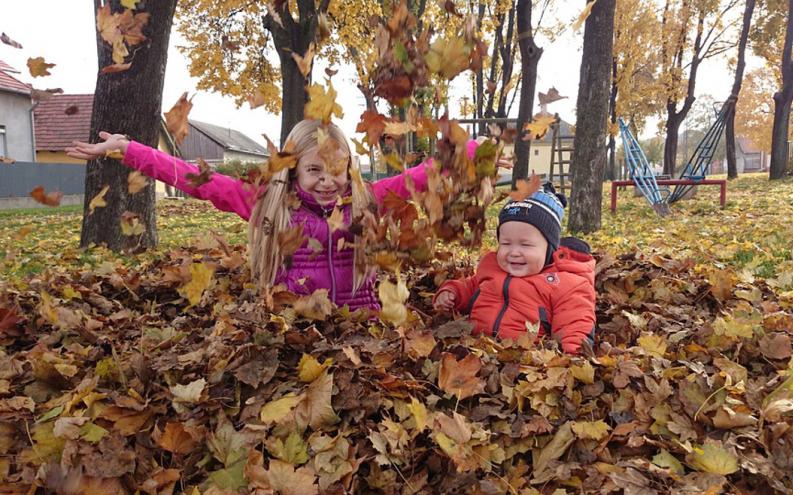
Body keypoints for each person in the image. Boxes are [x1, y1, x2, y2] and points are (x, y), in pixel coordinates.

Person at [67, 119, 480, 311]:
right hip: (294, 327)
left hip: (360, 326)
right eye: (314, 170)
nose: (327, 180)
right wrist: (129, 149)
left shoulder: (365, 199)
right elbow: (198, 179)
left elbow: (420, 177)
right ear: (294, 169)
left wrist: (475, 151)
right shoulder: (270, 203)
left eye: (336, 170)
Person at [433, 184, 596, 354]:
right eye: (506, 243)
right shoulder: (492, 267)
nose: (514, 252)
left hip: (526, 360)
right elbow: (471, 286)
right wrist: (452, 292)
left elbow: (575, 321)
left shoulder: (564, 283)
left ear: (550, 248)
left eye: (526, 245)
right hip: (477, 350)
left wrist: (574, 355)